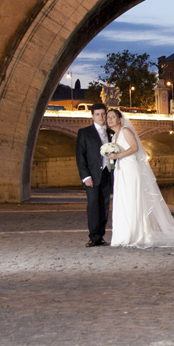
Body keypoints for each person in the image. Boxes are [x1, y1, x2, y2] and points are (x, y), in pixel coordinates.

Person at [105, 109, 174, 248]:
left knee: (132, 199)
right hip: (121, 170)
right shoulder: (114, 136)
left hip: (130, 169)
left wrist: (118, 156)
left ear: (120, 119)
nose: (110, 120)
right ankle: (125, 233)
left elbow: (135, 147)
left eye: (113, 117)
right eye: (108, 117)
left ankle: (136, 233)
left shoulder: (126, 131)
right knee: (124, 200)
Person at [75, 102, 113, 247]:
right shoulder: (84, 133)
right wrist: (85, 176)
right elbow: (80, 156)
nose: (101, 117)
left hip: (107, 174)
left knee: (104, 206)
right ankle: (93, 237)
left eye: (103, 114)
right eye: (97, 114)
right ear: (92, 116)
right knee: (92, 205)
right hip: (92, 176)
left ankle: (101, 236)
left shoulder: (112, 133)